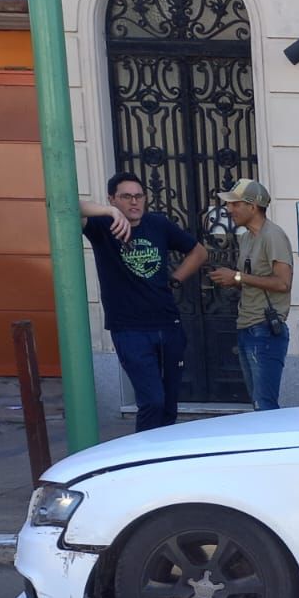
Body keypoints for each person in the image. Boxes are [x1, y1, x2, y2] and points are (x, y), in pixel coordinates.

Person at [79, 172, 208, 432]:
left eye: (138, 196)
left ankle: (162, 458)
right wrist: (109, 213)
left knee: (169, 404)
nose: (134, 202)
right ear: (112, 199)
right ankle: (142, 458)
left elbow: (199, 251)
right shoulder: (102, 227)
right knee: (152, 401)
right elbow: (69, 205)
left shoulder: (158, 224)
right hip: (130, 330)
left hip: (168, 325)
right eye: (126, 197)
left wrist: (176, 280)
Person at [209, 179, 294, 410]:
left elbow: (283, 283)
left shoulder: (273, 236)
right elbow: (251, 280)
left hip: (265, 330)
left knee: (264, 404)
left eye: (235, 204)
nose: (229, 210)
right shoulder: (247, 238)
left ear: (253, 206)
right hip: (247, 326)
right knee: (258, 403)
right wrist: (231, 280)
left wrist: (237, 277)